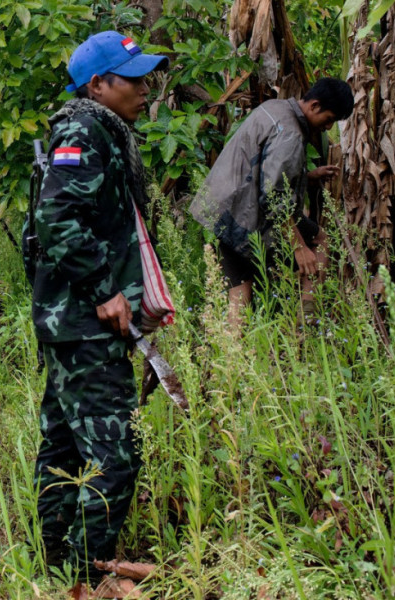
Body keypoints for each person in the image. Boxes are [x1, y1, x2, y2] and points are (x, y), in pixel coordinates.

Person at [25, 31, 168, 586]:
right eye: (132, 78)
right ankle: (87, 576)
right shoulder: (84, 130)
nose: (144, 87)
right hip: (84, 321)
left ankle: (59, 567)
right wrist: (104, 291)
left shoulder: (100, 130)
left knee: (62, 444)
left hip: (72, 322)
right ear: (98, 85)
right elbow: (56, 218)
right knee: (115, 455)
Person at [190, 77, 354, 328]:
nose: (327, 127)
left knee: (239, 296)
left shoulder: (274, 108)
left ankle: (230, 360)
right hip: (247, 217)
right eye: (329, 119)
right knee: (319, 243)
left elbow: (262, 169)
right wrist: (299, 247)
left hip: (225, 210)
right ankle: (304, 329)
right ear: (315, 106)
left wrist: (308, 177)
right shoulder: (291, 135)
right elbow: (274, 196)